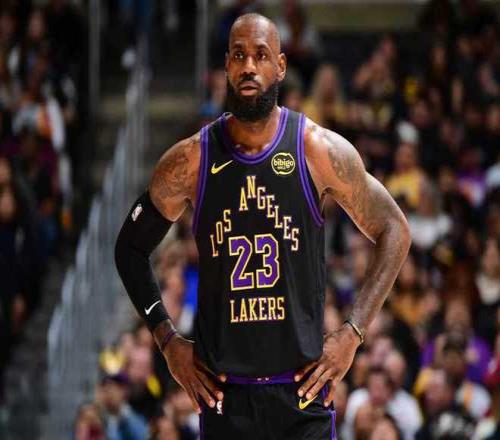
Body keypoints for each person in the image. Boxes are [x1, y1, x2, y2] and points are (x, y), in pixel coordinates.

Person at [114, 13, 411, 438]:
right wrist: (167, 340)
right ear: (226, 66)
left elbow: (394, 229)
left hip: (302, 395)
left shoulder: (316, 149)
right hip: (224, 397)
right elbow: (129, 248)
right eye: (238, 55)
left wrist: (353, 332)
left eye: (261, 55)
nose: (249, 66)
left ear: (281, 66)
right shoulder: (190, 160)